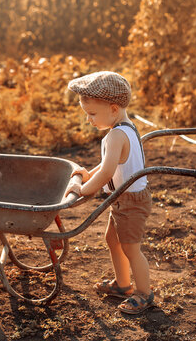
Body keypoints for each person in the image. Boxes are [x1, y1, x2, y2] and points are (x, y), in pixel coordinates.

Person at [64, 71, 154, 314]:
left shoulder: (116, 135)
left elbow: (107, 173)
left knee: (131, 249)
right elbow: (106, 168)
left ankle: (144, 294)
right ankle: (122, 284)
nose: (89, 120)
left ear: (113, 109)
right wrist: (88, 173)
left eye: (92, 114)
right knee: (112, 240)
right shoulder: (125, 127)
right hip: (123, 199)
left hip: (131, 202)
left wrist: (83, 189)